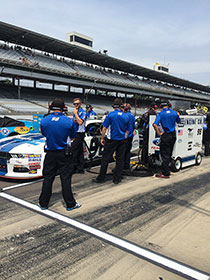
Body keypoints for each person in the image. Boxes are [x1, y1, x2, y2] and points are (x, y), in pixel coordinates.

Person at [39, 98, 81, 211]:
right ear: (63, 108)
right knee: (65, 179)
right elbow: (72, 137)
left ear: (51, 107)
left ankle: (43, 203)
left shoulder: (44, 120)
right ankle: (70, 204)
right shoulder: (68, 122)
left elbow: (43, 133)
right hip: (64, 153)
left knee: (48, 178)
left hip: (50, 153)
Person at [93, 98, 129, 184]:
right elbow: (127, 131)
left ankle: (101, 177)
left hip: (111, 140)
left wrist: (102, 138)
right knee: (120, 160)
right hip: (122, 140)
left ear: (113, 106)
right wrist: (125, 139)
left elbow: (104, 128)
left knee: (105, 159)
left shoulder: (110, 115)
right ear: (121, 106)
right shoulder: (126, 116)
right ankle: (117, 178)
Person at [153, 101, 180, 178]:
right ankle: (168, 169)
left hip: (166, 135)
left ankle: (165, 173)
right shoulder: (174, 113)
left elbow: (155, 125)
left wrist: (158, 133)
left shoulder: (161, 114)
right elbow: (178, 121)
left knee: (165, 154)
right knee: (169, 153)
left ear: (161, 106)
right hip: (173, 135)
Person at [72, 98, 87, 173]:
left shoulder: (82, 112)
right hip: (75, 132)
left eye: (77, 104)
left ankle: (74, 167)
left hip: (80, 133)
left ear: (80, 104)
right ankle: (80, 168)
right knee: (80, 151)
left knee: (74, 150)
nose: (76, 105)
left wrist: (75, 114)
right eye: (74, 104)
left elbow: (80, 122)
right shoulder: (75, 111)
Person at [122, 103, 136, 171]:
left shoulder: (124, 115)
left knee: (122, 152)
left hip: (124, 136)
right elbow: (134, 127)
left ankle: (121, 165)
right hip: (130, 136)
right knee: (128, 151)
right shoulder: (132, 116)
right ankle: (126, 165)